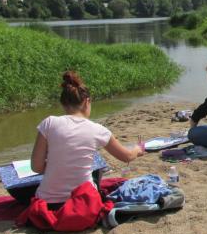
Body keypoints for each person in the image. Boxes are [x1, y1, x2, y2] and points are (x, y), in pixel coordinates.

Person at [30, 71, 144, 207]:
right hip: (82, 203)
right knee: (97, 169)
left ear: (63, 104)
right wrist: (138, 149)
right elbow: (127, 156)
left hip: (48, 203)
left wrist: (57, 165)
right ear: (87, 102)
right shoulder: (97, 129)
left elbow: (36, 167)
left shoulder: (48, 123)